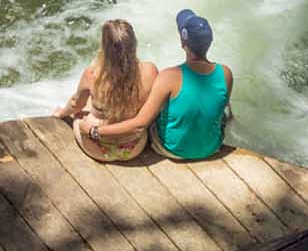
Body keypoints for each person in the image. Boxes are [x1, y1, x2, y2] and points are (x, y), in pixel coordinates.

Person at [87, 9, 233, 161]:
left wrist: (95, 131)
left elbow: (139, 125)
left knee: (153, 112)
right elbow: (222, 110)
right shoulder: (226, 73)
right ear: (210, 42)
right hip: (211, 147)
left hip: (172, 149)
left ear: (183, 43)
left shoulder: (169, 77)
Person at [53, 19, 159, 162]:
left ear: (105, 47)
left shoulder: (93, 74)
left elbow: (75, 104)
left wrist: (61, 113)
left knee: (85, 105)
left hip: (96, 146)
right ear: (134, 43)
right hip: (134, 147)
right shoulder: (150, 71)